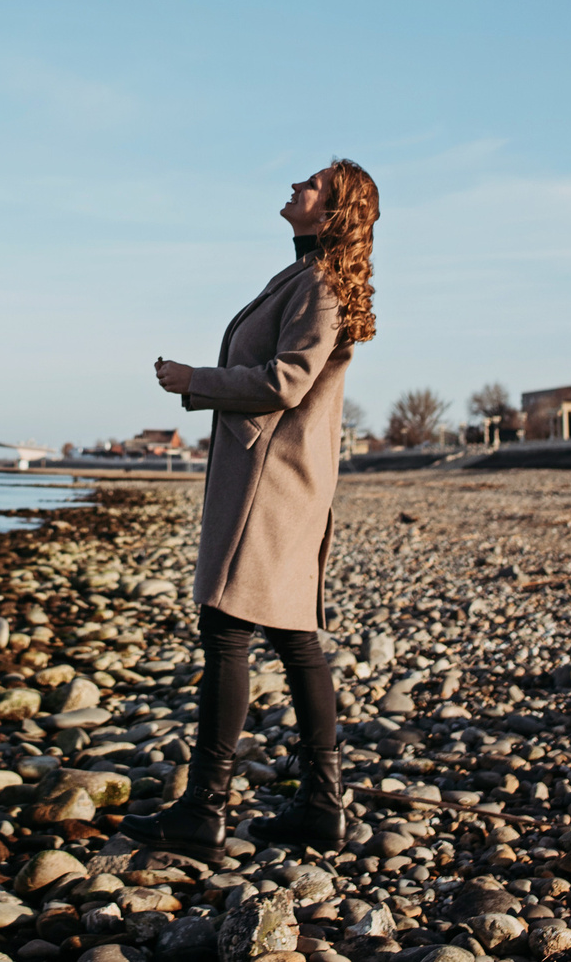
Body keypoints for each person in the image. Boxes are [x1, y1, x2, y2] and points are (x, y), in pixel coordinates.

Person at [121, 159, 380, 860]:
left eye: (314, 184)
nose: (297, 184)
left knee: (229, 629)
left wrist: (194, 380)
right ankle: (320, 806)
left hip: (272, 482)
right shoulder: (307, 276)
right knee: (292, 635)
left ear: (331, 212)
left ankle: (205, 810)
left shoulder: (320, 283)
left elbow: (287, 380)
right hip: (280, 475)